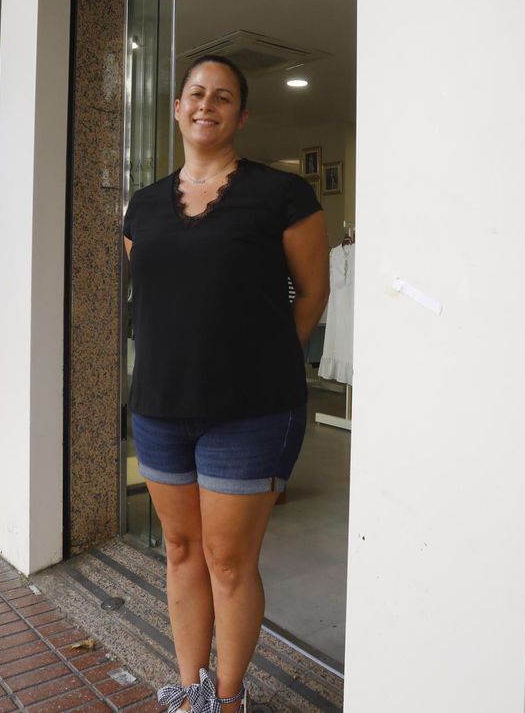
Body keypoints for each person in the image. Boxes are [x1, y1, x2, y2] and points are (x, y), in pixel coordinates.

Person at [122, 55, 329, 713]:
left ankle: (230, 699)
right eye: (195, 93)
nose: (206, 105)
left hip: (251, 412)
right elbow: (154, 301)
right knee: (180, 549)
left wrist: (262, 358)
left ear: (241, 115)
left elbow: (312, 293)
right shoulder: (143, 206)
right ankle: (193, 690)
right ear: (176, 108)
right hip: (159, 406)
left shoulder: (281, 195)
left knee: (230, 561)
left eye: (222, 97)